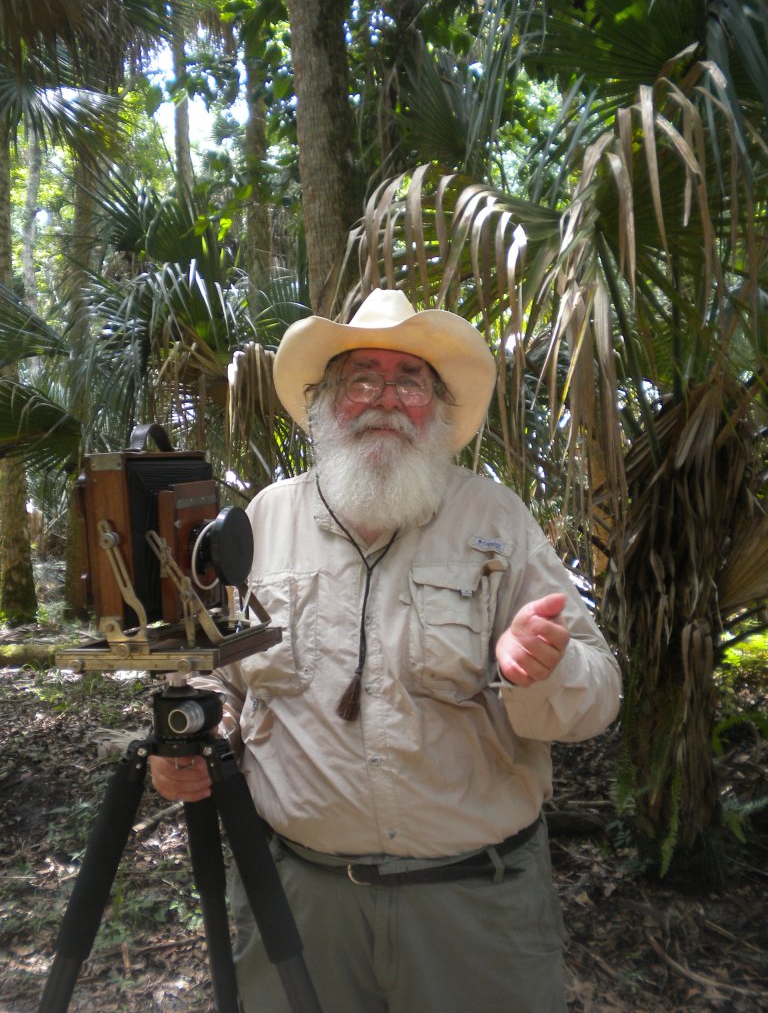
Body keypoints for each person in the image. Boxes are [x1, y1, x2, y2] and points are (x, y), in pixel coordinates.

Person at [150, 289, 621, 1013]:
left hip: (474, 913)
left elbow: (599, 695)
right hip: (298, 908)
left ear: (438, 406)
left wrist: (546, 670)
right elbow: (225, 678)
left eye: (410, 381)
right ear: (324, 401)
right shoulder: (264, 521)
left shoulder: (495, 519)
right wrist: (193, 736)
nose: (387, 399)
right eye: (362, 378)